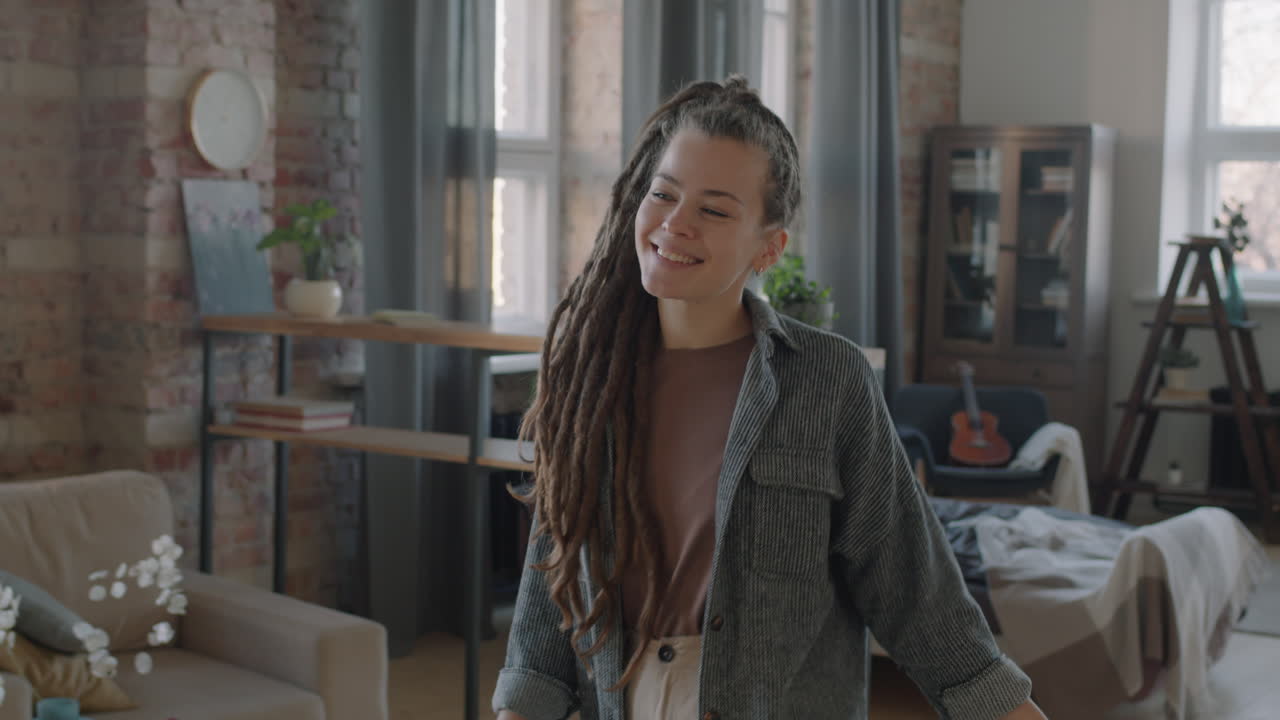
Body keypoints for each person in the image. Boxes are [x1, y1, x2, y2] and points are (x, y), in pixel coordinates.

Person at [493, 76, 1047, 720]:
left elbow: (912, 587)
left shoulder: (826, 380)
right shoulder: (586, 379)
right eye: (664, 194)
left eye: (715, 209)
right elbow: (549, 581)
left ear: (769, 248)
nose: (676, 223)